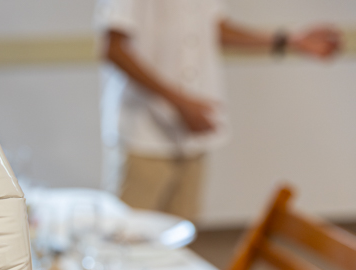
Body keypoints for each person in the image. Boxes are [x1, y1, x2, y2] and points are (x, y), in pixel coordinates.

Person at [97, 0, 341, 220]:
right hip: (145, 132)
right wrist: (179, 103)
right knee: (129, 236)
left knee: (182, 235)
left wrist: (288, 40)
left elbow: (212, 28)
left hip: (193, 132)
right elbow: (114, 48)